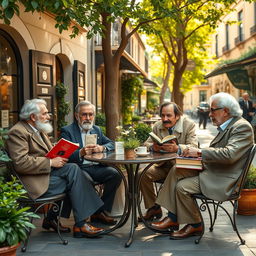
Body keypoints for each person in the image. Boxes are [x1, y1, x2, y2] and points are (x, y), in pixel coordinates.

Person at [151, 92, 254, 239]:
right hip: (213, 170)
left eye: (212, 110)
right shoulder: (229, 125)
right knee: (178, 168)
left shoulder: (241, 126)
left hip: (223, 179)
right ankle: (173, 218)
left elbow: (229, 155)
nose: (209, 113)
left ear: (225, 111)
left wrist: (199, 152)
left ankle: (194, 224)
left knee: (182, 187)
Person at [6, 99, 105, 238]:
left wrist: (62, 150)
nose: (48, 116)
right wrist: (51, 162)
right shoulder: (18, 132)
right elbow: (20, 163)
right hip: (33, 183)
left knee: (74, 169)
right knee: (75, 181)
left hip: (45, 175)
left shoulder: (38, 129)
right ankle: (83, 223)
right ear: (33, 117)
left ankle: (61, 220)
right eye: (45, 113)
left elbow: (47, 152)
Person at [61, 101, 122, 225]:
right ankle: (95, 213)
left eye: (91, 114)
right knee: (85, 180)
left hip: (96, 166)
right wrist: (81, 152)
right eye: (84, 115)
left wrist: (102, 148)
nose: (88, 118)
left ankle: (100, 211)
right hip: (79, 168)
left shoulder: (96, 130)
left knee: (115, 174)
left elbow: (111, 143)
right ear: (77, 116)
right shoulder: (67, 131)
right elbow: (63, 155)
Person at [139, 102, 198, 221]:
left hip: (181, 167)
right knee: (142, 174)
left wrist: (178, 148)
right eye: (163, 115)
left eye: (169, 116)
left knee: (174, 173)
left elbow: (194, 147)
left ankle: (171, 217)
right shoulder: (157, 125)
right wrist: (152, 147)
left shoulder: (189, 125)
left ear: (177, 116)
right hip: (163, 165)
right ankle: (153, 208)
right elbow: (146, 143)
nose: (165, 119)